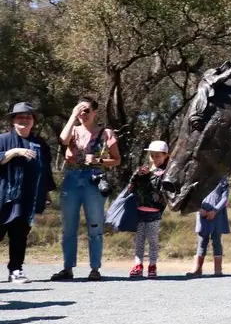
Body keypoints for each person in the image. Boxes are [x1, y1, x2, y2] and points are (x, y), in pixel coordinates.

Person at [52, 97, 120, 281]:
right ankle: (67, 268)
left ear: (95, 112)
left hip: (93, 179)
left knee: (95, 224)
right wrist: (72, 116)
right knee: (68, 225)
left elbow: (117, 159)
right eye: (79, 110)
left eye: (87, 110)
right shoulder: (73, 130)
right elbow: (63, 139)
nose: (83, 114)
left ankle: (95, 268)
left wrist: (98, 160)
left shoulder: (105, 133)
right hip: (72, 178)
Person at [0, 102, 55, 283]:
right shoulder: (3, 139)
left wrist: (46, 194)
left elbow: (45, 171)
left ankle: (16, 270)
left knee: (20, 234)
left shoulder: (40, 144)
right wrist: (14, 152)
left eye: (28, 117)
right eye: (20, 117)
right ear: (13, 120)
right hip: (3, 196)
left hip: (28, 198)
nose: (24, 120)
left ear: (33, 121)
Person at [128, 140, 169, 278]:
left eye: (158, 155)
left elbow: (166, 190)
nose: (155, 158)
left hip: (155, 212)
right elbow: (130, 188)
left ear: (165, 156)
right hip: (140, 210)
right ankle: (138, 264)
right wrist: (137, 175)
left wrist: (156, 176)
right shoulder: (143, 170)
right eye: (152, 155)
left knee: (152, 240)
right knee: (139, 240)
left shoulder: (166, 172)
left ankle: (152, 265)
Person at [187, 176, 230, 277]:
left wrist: (214, 211)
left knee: (217, 240)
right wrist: (199, 209)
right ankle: (197, 268)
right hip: (202, 214)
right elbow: (193, 196)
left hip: (218, 215)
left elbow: (224, 198)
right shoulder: (200, 176)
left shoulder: (223, 180)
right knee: (202, 240)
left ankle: (218, 269)